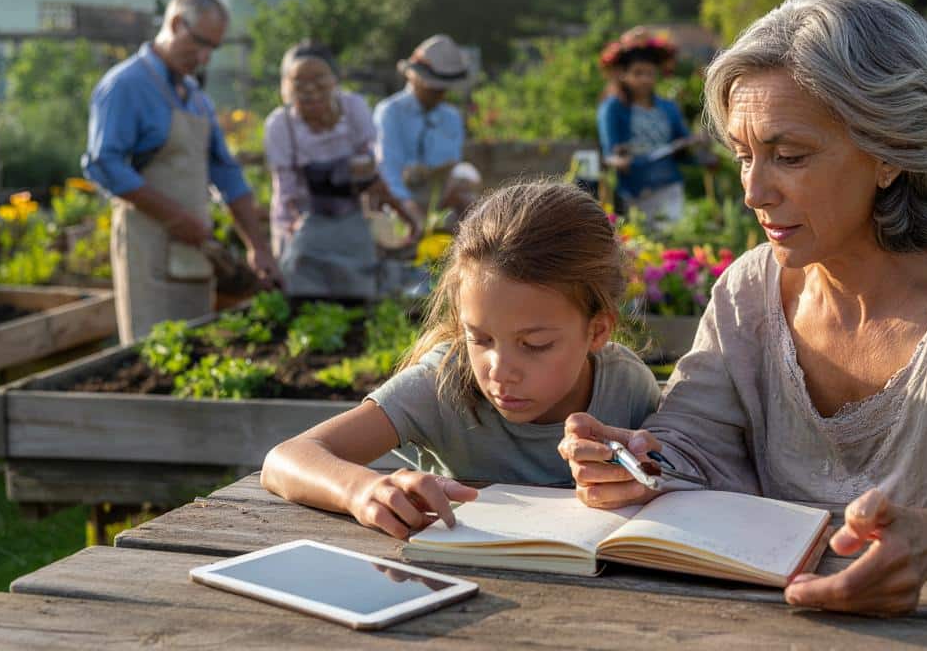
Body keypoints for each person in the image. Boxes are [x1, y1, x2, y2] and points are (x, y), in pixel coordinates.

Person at [559, 0, 927, 616]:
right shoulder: (747, 288)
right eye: (743, 157)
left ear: (889, 152)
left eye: (788, 156)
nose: (754, 192)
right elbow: (692, 438)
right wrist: (629, 462)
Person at [261, 181, 661, 539]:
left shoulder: (628, 388)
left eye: (535, 344)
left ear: (597, 331)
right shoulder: (445, 379)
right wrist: (360, 489)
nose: (499, 370)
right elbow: (285, 460)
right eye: (480, 338)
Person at [82, 0, 279, 343]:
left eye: (212, 49)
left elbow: (227, 174)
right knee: (153, 352)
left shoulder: (196, 99)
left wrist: (258, 246)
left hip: (193, 249)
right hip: (148, 246)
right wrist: (176, 217)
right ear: (175, 24)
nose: (204, 58)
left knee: (198, 347)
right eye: (199, 43)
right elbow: (103, 164)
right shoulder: (126, 85)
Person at [264, 41, 407, 299]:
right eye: (299, 81)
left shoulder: (353, 108)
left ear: (334, 80)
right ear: (286, 87)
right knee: (303, 297)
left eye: (318, 78)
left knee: (358, 298)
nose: (310, 89)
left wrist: (400, 214)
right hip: (307, 223)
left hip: (351, 220)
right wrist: (282, 244)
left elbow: (374, 167)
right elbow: (284, 192)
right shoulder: (280, 125)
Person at [373, 35, 480, 246]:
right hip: (397, 204)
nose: (439, 94)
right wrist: (413, 212)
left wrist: (450, 190)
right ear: (413, 77)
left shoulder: (450, 117)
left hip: (439, 202)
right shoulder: (390, 112)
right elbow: (389, 173)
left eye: (442, 89)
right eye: (434, 88)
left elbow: (452, 166)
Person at [596, 27, 703, 229]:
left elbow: (684, 140)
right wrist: (620, 161)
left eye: (650, 74)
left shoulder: (668, 108)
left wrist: (693, 143)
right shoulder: (613, 108)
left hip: (668, 185)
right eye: (638, 73)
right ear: (623, 75)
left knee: (671, 238)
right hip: (635, 190)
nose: (644, 79)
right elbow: (610, 151)